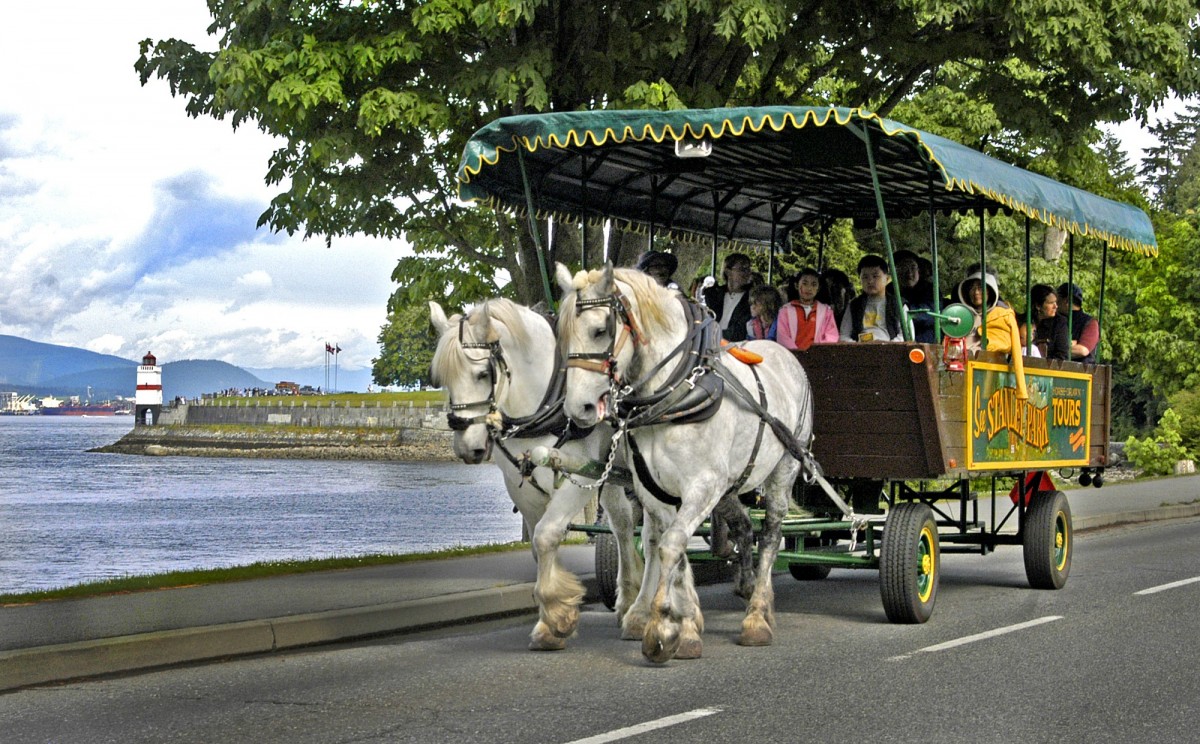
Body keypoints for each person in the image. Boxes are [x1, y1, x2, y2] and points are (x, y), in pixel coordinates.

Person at [955, 268, 1028, 398]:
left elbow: (1015, 349)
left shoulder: (1003, 315)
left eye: (981, 288)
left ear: (991, 290)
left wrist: (1021, 389)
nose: (976, 292)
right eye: (973, 288)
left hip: (992, 375)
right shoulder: (960, 315)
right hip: (962, 374)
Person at [839, 255, 906, 342]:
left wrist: (888, 346)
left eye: (875, 276)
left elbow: (906, 335)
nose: (870, 281)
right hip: (860, 351)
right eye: (865, 277)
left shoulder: (899, 304)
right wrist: (857, 346)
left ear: (887, 278)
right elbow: (844, 335)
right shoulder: (854, 305)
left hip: (890, 350)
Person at [775, 268, 839, 350]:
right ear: (796, 285)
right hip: (792, 357)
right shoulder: (785, 311)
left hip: (817, 358)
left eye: (814, 284)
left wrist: (817, 353)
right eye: (805, 283)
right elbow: (782, 337)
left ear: (818, 288)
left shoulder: (826, 311)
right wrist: (797, 354)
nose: (809, 288)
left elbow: (832, 336)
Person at [703, 252, 754, 342]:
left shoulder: (752, 298)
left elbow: (740, 330)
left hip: (735, 346)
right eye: (742, 269)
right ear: (728, 272)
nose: (747, 273)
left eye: (748, 269)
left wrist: (714, 335)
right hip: (709, 342)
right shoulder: (713, 295)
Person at [894, 250, 936, 343]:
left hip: (924, 341)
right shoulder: (888, 291)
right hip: (896, 341)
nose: (909, 273)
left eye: (913, 268)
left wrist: (904, 312)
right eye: (903, 268)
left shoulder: (930, 290)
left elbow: (931, 315)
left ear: (919, 270)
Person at [1057, 283, 1099, 364]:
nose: (1055, 304)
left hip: (1081, 372)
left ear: (1066, 301)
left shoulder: (1089, 322)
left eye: (1057, 299)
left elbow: (1082, 350)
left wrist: (1054, 349)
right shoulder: (1054, 320)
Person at [1030, 284, 1070, 361]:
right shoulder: (1025, 320)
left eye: (1056, 302)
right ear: (1038, 305)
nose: (1056, 306)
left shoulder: (1059, 323)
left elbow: (1062, 355)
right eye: (1051, 303)